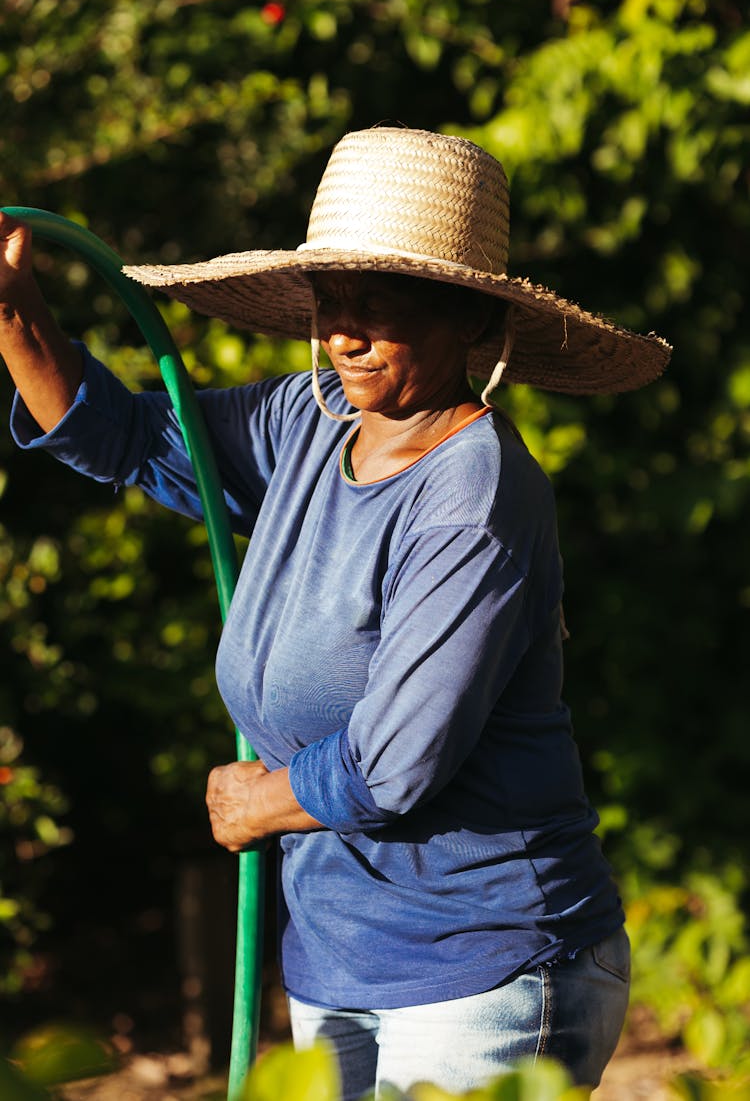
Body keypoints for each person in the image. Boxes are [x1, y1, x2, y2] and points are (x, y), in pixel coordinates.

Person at [0, 126, 670, 1098]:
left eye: (380, 309)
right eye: (331, 302)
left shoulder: (473, 495)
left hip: (484, 968)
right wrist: (17, 314)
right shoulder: (310, 423)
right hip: (335, 958)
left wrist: (254, 804)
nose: (342, 335)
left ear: (469, 324)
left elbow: (395, 763)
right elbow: (135, 436)